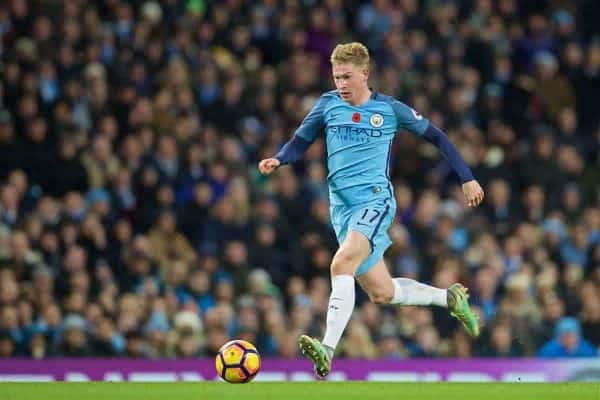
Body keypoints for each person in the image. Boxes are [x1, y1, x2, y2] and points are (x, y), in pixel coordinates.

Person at [258, 42, 484, 377]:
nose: (341, 84)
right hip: (342, 209)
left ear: (365, 73)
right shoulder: (327, 105)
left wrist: (467, 178)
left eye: (347, 77)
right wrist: (280, 158)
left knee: (341, 263)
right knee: (382, 292)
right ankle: (448, 299)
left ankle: (327, 349)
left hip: (375, 201)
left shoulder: (390, 110)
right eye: (337, 77)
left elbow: (437, 137)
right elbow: (301, 140)